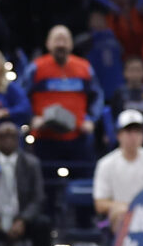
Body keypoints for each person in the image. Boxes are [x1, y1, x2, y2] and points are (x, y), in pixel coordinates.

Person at [28, 25, 97, 164]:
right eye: (56, 40)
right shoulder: (36, 68)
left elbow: (97, 97)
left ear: (71, 44)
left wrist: (90, 119)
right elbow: (22, 97)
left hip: (77, 137)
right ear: (48, 44)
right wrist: (31, 119)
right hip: (44, 137)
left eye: (64, 40)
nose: (60, 44)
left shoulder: (85, 68)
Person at [93, 109, 143, 237]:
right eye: (128, 132)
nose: (133, 137)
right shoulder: (106, 164)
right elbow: (100, 203)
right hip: (119, 216)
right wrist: (128, 208)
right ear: (118, 135)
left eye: (137, 132)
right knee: (121, 214)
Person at [109, 55, 143, 149]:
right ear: (125, 72)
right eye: (131, 70)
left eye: (138, 70)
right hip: (125, 137)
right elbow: (114, 116)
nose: (135, 74)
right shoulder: (119, 93)